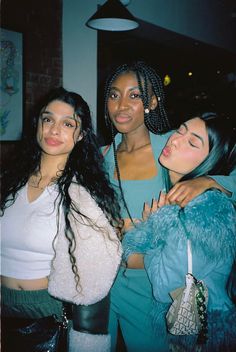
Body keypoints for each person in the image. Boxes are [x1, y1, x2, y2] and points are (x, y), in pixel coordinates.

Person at [102, 61, 236, 351]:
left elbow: (221, 162)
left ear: (151, 102)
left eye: (134, 95)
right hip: (107, 282)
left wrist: (210, 181)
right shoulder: (104, 155)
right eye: (114, 95)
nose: (121, 105)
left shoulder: (170, 145)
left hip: (152, 287)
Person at [1, 87, 122, 352]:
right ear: (37, 126)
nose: (54, 130)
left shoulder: (83, 198)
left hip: (47, 317)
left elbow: (94, 278)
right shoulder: (8, 183)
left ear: (80, 135)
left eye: (67, 124)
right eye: (48, 119)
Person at [122, 112, 236, 351]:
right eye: (180, 130)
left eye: (192, 142)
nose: (175, 140)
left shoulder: (201, 211)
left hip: (205, 337)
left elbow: (165, 287)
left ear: (210, 159)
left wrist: (151, 229)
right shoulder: (184, 200)